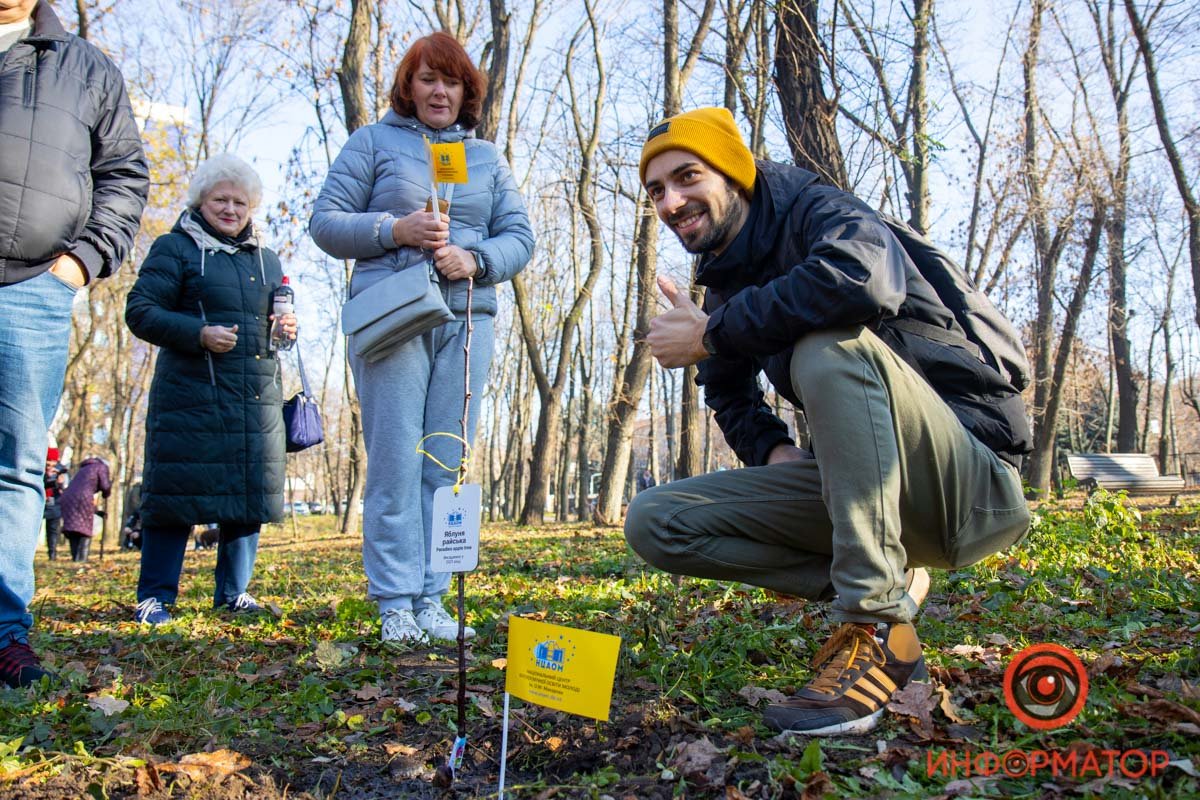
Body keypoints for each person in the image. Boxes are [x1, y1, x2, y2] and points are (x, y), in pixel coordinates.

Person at [625, 108, 1032, 736]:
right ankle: (890, 582)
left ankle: (877, 628)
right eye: (657, 191)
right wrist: (772, 454)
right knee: (655, 521)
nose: (672, 202)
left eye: (687, 177)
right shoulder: (725, 282)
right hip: (872, 495)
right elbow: (727, 392)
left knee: (827, 347)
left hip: (970, 484)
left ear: (732, 172)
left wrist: (712, 332)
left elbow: (860, 281)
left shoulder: (817, 209)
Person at [311, 32, 533, 645]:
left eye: (452, 81)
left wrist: (478, 258)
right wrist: (394, 229)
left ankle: (436, 597)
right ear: (408, 87)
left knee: (447, 462)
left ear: (468, 92)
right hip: (395, 315)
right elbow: (325, 223)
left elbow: (520, 237)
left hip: (467, 318)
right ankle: (395, 602)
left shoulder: (487, 157)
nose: (440, 91)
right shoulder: (373, 142)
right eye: (428, 79)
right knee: (395, 458)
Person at [0, 0, 149, 687]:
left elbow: (124, 175)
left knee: (15, 466)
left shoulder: (86, 68)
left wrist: (78, 264)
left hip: (33, 289)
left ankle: (5, 636)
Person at [125, 153, 296, 626]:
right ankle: (155, 596)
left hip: (254, 396)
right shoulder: (174, 248)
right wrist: (197, 333)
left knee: (248, 495)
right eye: (220, 199)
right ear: (201, 201)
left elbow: (279, 329)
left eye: (240, 201)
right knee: (176, 493)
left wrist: (287, 327)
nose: (230, 208)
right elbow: (139, 310)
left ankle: (233, 593)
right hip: (190, 397)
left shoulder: (267, 259)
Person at [58, 456, 111, 562]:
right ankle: (82, 559)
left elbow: (81, 490)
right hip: (83, 498)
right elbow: (105, 486)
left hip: (67, 497)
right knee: (84, 530)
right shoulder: (101, 467)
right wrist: (107, 491)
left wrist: (97, 511)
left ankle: (75, 559)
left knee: (73, 528)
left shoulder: (84, 469)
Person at [42, 449, 69, 561]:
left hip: (55, 506)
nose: (50, 465)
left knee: (52, 531)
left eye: (53, 462)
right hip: (40, 504)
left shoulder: (61, 472)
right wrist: (47, 476)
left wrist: (61, 483)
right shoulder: (39, 469)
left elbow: (66, 489)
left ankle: (52, 554)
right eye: (48, 462)